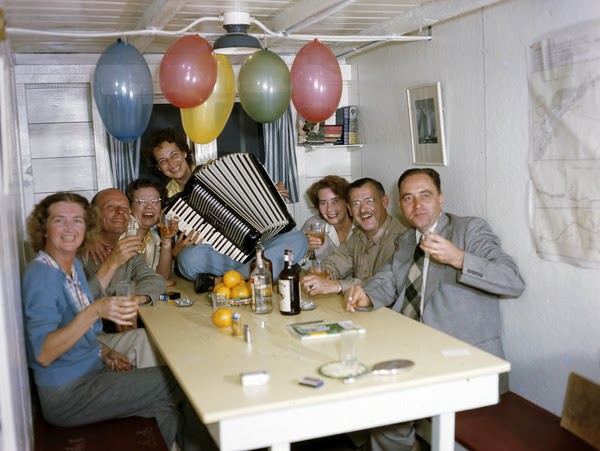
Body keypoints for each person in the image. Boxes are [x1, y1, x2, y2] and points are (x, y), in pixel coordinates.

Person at [345, 168, 526, 451]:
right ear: (400, 204)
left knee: (384, 403)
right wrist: (365, 295)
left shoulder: (469, 229)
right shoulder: (407, 240)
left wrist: (459, 258)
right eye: (408, 198)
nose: (417, 205)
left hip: (463, 360)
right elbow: (388, 279)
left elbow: (513, 282)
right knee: (373, 397)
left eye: (425, 195)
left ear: (441, 199)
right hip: (415, 352)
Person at [21, 192, 207, 449]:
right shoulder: (42, 275)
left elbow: (74, 329)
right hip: (70, 393)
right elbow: (43, 352)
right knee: (184, 380)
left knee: (164, 407)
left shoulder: (67, 266)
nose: (70, 228)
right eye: (59, 220)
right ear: (43, 228)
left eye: (77, 220)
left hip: (91, 371)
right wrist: (96, 310)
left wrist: (104, 352)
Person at [144, 128, 308, 286]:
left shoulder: (213, 169)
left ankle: (229, 281)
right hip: (221, 256)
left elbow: (251, 192)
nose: (171, 163)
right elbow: (172, 252)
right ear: (158, 167)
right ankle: (261, 272)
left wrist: (270, 193)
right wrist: (177, 250)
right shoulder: (166, 202)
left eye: (174, 154)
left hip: (257, 244)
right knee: (187, 260)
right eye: (163, 161)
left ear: (184, 153)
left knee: (298, 239)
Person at [79, 188, 166, 368]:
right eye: (111, 206)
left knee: (159, 340)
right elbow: (76, 306)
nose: (120, 212)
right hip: (83, 342)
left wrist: (129, 303)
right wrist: (112, 262)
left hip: (114, 336)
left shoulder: (128, 252)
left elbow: (155, 281)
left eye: (125, 208)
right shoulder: (78, 252)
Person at [300, 177, 407, 296]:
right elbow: (338, 261)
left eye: (369, 200)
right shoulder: (359, 234)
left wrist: (336, 285)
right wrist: (323, 272)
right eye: (356, 204)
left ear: (384, 201)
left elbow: (383, 284)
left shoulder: (402, 240)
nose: (363, 209)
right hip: (357, 304)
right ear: (350, 209)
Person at [124, 178, 199, 280]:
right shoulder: (120, 230)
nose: (149, 207)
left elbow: (162, 277)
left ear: (160, 210)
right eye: (141, 201)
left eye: (155, 201)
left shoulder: (154, 238)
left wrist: (166, 241)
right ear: (130, 207)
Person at [300, 175, 354, 263]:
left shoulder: (362, 225)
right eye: (323, 203)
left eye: (335, 201)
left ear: (347, 202)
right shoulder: (313, 224)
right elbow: (292, 263)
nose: (329, 209)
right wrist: (305, 250)